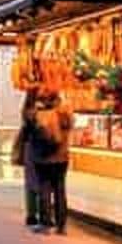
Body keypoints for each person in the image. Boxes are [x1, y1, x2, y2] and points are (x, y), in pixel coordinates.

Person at [32, 90, 74, 234]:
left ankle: (45, 223)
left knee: (44, 189)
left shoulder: (40, 114)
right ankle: (61, 225)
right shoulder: (66, 114)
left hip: (43, 158)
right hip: (62, 157)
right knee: (60, 190)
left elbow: (29, 130)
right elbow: (69, 129)